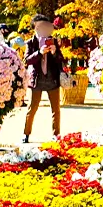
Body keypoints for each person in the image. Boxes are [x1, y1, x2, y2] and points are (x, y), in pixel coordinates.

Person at [23, 14, 64, 142]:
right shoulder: (31, 42)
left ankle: (56, 135)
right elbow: (27, 60)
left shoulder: (54, 41)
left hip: (52, 79)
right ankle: (26, 134)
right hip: (37, 80)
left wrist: (54, 52)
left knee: (56, 109)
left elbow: (61, 60)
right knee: (32, 108)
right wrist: (39, 53)